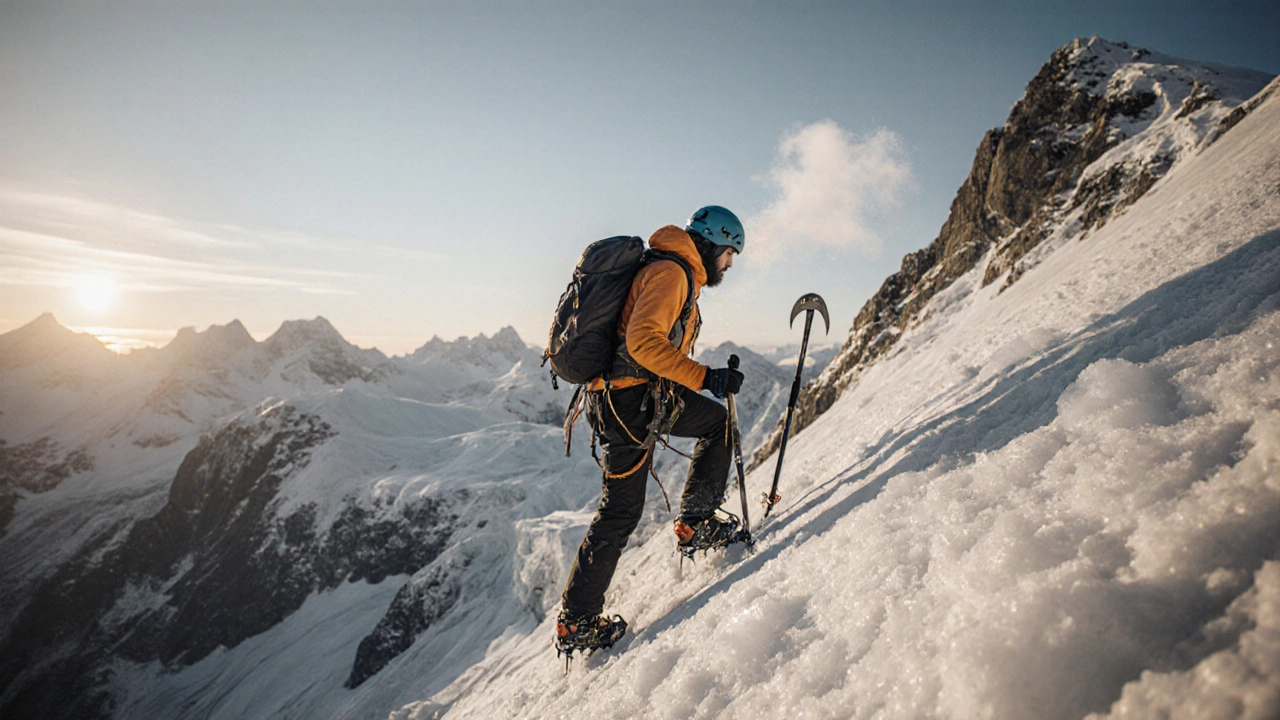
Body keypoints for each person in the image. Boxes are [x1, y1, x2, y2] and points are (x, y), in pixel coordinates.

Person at [555, 205, 747, 654]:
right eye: (729, 253)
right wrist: (706, 378)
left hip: (637, 396)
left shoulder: (672, 269)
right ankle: (577, 621)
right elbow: (643, 342)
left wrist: (704, 379)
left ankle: (697, 522)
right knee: (620, 510)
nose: (730, 264)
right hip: (628, 400)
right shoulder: (671, 273)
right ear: (712, 244)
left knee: (718, 424)